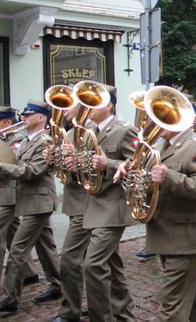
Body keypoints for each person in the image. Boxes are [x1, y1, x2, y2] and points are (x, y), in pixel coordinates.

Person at [114, 103, 196, 321]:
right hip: (167, 235)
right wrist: (127, 169)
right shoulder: (160, 146)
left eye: (162, 117)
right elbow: (143, 174)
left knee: (172, 306)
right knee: (194, 299)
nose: (155, 122)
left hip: (186, 240)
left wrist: (169, 176)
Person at [78, 86, 137, 322]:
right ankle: (124, 314)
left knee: (92, 264)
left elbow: (138, 165)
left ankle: (100, 317)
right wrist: (75, 164)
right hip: (93, 205)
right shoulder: (89, 131)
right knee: (111, 265)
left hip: (114, 207)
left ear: (109, 106)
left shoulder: (124, 130)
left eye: (94, 103)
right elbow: (86, 166)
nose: (88, 108)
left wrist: (109, 164)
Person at [0, 101, 61, 317]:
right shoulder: (27, 140)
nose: (23, 118)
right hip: (30, 201)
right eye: (24, 115)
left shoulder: (46, 142)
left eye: (28, 115)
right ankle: (58, 285)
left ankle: (8, 301)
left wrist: (2, 167)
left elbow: (32, 172)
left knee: (17, 250)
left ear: (41, 118)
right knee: (46, 247)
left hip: (40, 203)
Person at [47, 104, 90, 322]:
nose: (65, 111)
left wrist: (79, 163)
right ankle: (101, 302)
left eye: (69, 106)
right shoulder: (70, 133)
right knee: (105, 262)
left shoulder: (93, 133)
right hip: (76, 203)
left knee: (70, 260)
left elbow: (111, 167)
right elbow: (65, 175)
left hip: (90, 205)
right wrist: (55, 160)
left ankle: (69, 311)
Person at [0, 106, 38, 287]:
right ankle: (29, 272)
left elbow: (14, 165)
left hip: (11, 191)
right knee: (13, 232)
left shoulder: (17, 140)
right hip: (7, 192)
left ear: (7, 122)